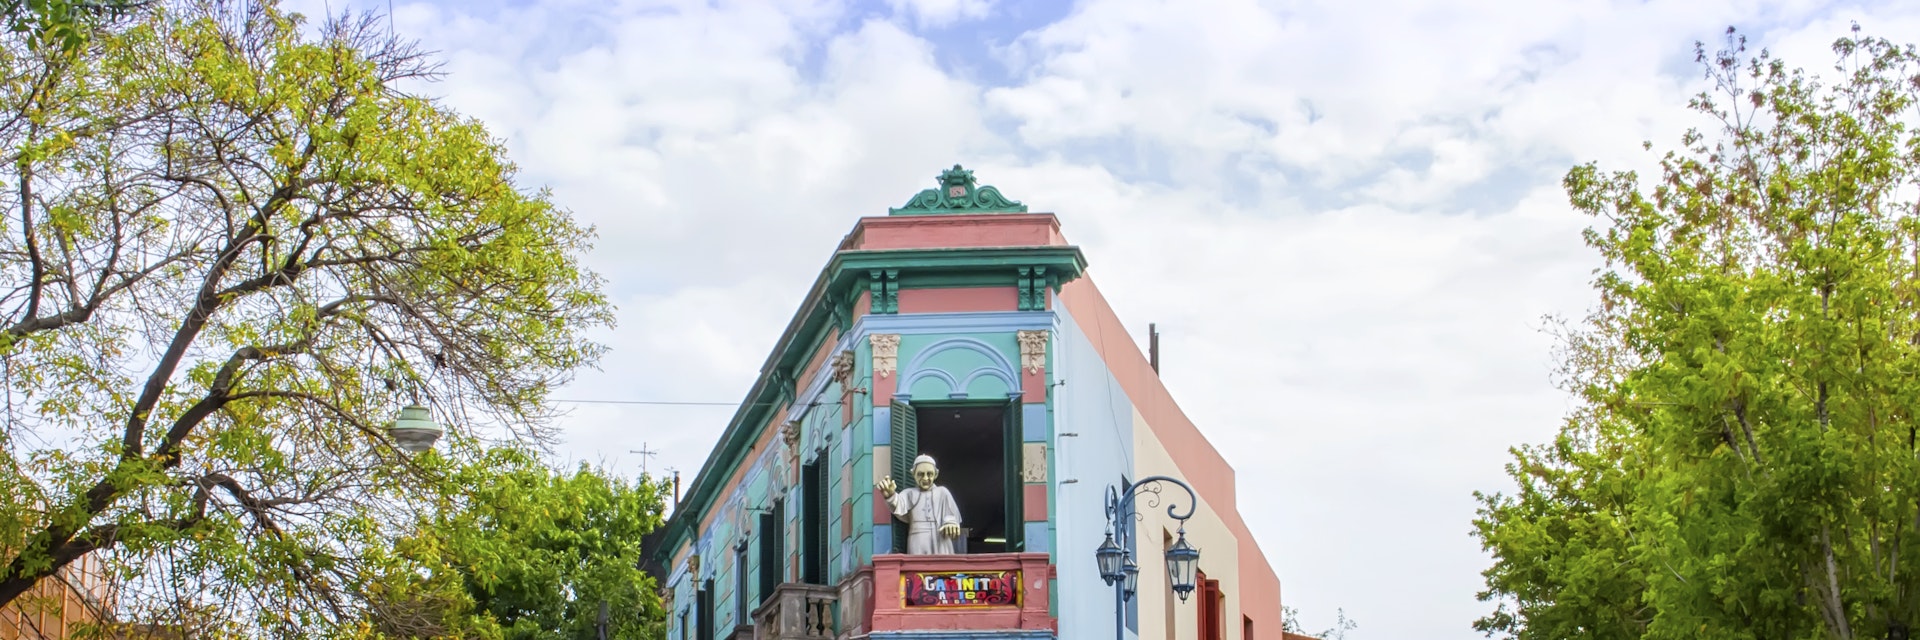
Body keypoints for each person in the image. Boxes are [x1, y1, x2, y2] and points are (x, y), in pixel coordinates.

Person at [877, 454, 963, 554]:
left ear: (936, 474)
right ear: (914, 474)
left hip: (940, 538)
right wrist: (890, 495)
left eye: (929, 474)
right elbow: (898, 504)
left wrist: (950, 523)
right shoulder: (910, 493)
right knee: (917, 566)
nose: (925, 478)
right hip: (917, 538)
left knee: (942, 566)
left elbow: (951, 515)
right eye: (921, 474)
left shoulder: (943, 492)